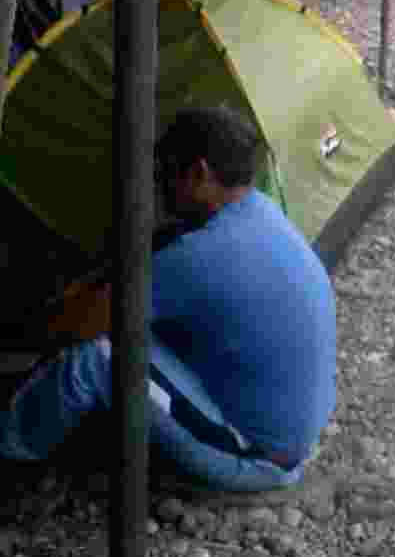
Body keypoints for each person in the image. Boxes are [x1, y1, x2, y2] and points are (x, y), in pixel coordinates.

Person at [0, 107, 337, 492]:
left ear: (199, 173)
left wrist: (37, 321)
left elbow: (77, 327)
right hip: (286, 431)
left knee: (96, 354)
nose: (160, 188)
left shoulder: (201, 253)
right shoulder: (259, 211)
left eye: (166, 174)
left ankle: (11, 451)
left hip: (253, 455)